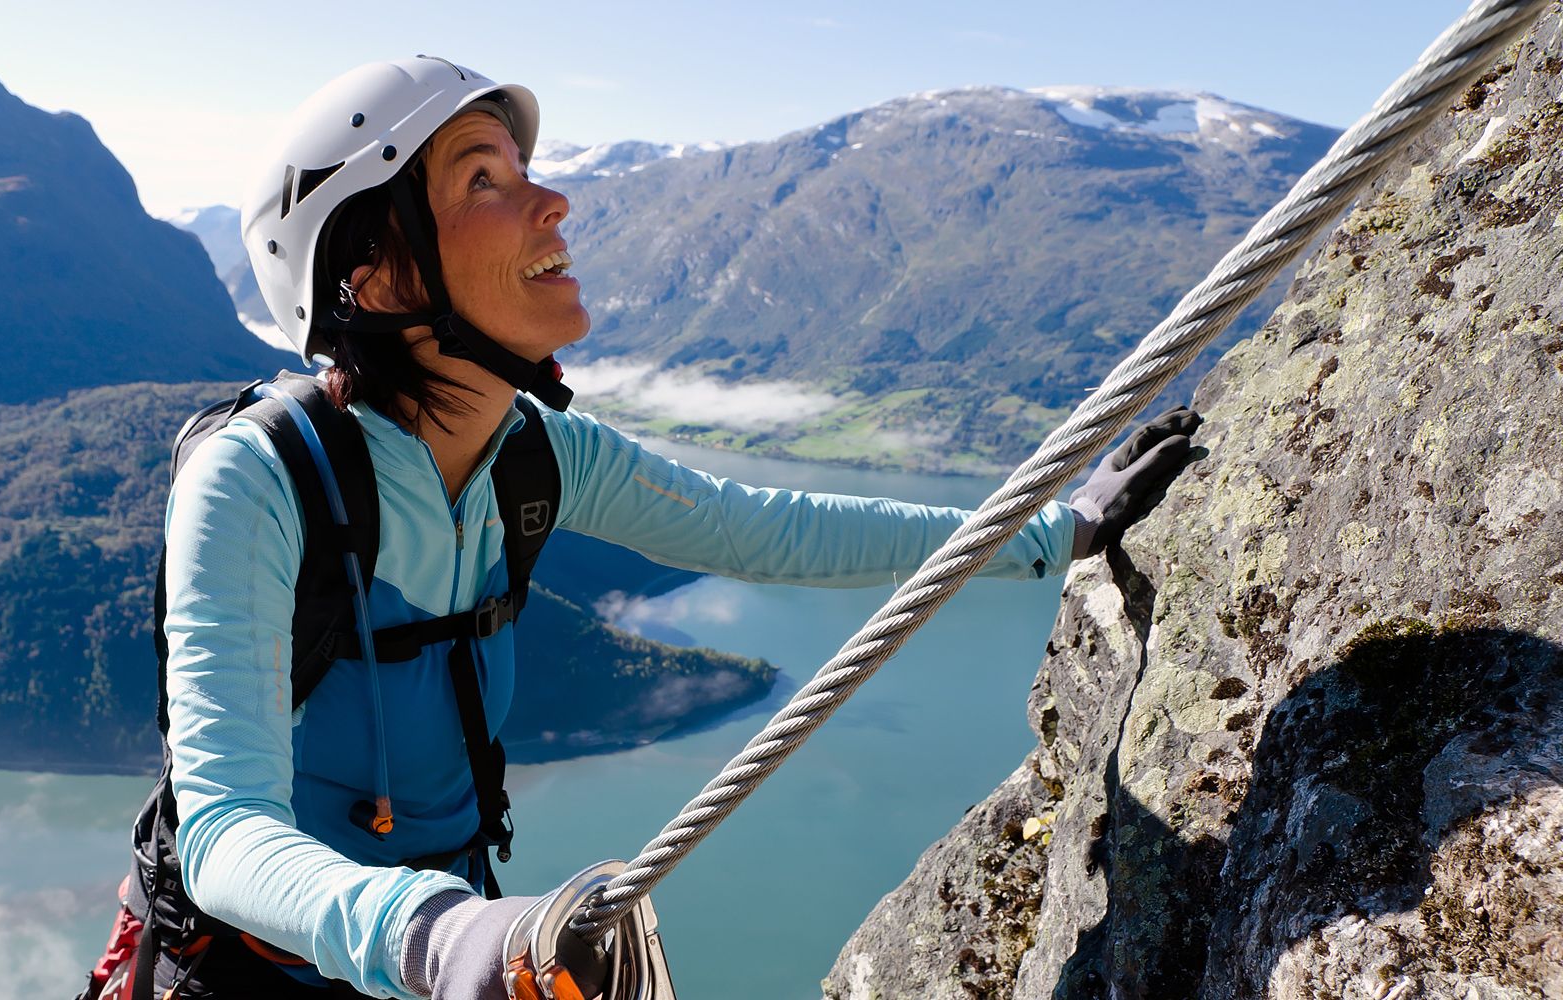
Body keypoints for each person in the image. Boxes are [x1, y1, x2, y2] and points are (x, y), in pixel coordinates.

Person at [157, 56, 1199, 1000]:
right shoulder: (260, 481)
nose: (552, 201)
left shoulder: (533, 452)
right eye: (485, 178)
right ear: (378, 279)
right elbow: (221, 833)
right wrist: (437, 936)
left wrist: (1050, 532)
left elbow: (767, 529)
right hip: (277, 977)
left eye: (527, 169)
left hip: (453, 951)